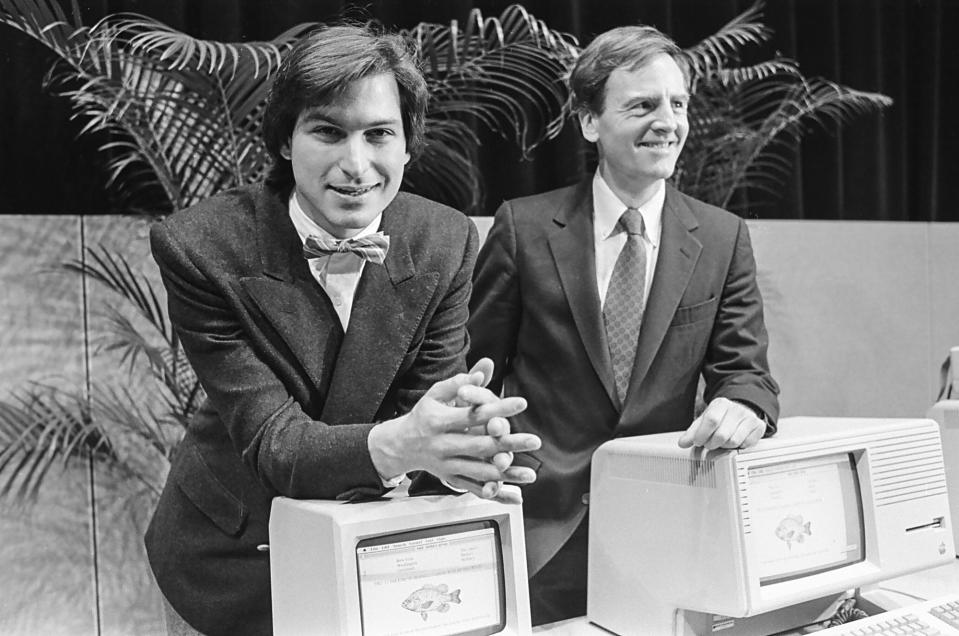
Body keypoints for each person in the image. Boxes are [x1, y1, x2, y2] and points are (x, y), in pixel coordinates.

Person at [144, 24, 540, 636]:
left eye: (379, 133)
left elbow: (424, 404)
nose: (356, 166)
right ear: (285, 141)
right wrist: (408, 442)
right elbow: (274, 441)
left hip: (374, 555)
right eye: (328, 131)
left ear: (408, 144)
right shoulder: (201, 246)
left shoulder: (445, 239)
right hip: (236, 558)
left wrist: (463, 454)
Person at [467, 25, 780, 626]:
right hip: (540, 534)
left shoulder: (721, 238)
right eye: (642, 105)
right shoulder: (523, 228)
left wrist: (746, 406)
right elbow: (471, 372)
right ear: (589, 121)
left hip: (670, 531)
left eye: (679, 103)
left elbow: (748, 375)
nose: (668, 121)